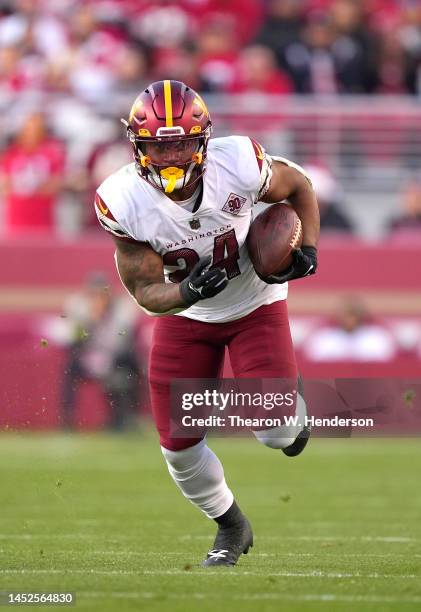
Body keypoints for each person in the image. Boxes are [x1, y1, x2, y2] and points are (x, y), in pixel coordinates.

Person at [94, 80, 319, 567]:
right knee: (177, 447)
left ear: (203, 140)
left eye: (180, 143)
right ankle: (231, 525)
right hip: (188, 314)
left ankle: (288, 405)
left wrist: (309, 250)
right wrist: (186, 292)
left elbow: (299, 185)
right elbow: (144, 290)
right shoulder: (121, 199)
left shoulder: (238, 162)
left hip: (254, 302)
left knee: (279, 434)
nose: (171, 156)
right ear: (137, 145)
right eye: (158, 144)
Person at [59, 273, 142, 431]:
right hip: (89, 357)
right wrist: (89, 321)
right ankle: (67, 421)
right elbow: (72, 340)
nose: (98, 299)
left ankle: (125, 419)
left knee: (131, 364)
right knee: (70, 366)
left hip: (115, 358)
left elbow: (121, 341)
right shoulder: (78, 307)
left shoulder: (122, 309)